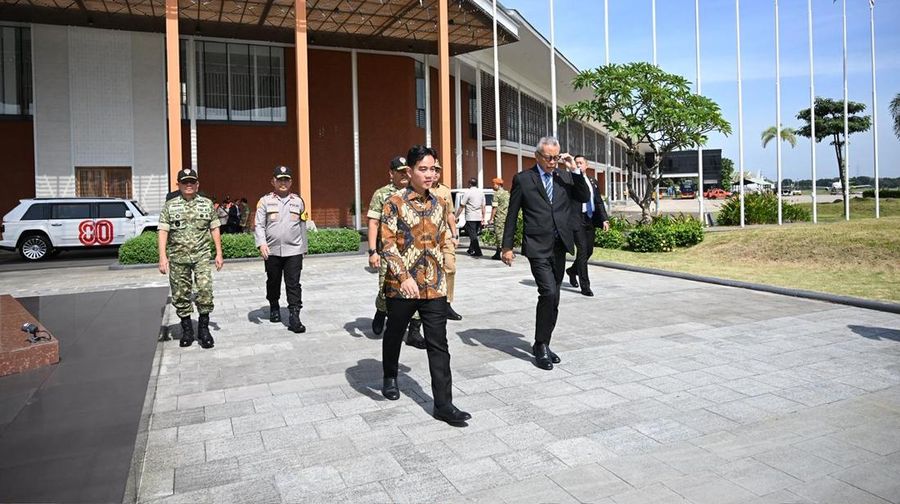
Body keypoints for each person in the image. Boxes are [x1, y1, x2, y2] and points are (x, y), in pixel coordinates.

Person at [380, 145, 470, 425]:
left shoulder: (441, 203)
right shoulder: (394, 202)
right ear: (410, 171)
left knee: (439, 344)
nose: (430, 174)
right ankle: (390, 375)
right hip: (402, 286)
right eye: (423, 169)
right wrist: (403, 277)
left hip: (433, 286)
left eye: (433, 169)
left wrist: (446, 256)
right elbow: (387, 243)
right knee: (394, 332)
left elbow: (444, 236)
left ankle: (444, 405)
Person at [501, 137, 590, 370]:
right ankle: (540, 345)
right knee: (548, 292)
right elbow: (512, 214)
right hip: (537, 245)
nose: (553, 162)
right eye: (549, 157)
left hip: (560, 245)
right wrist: (507, 246)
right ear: (537, 156)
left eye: (556, 157)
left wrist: (575, 169)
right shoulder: (523, 179)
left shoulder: (565, 177)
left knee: (555, 297)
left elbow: (584, 197)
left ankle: (545, 342)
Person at [157, 168, 224, 349]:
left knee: (204, 290)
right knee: (180, 293)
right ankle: (187, 330)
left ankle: (203, 329)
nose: (188, 185)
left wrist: (219, 252)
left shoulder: (207, 203)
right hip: (178, 258)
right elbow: (163, 230)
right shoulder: (170, 206)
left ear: (197, 184)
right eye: (185, 182)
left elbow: (214, 227)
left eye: (192, 182)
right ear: (178, 184)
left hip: (201, 256)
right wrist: (162, 256)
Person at [365, 156, 426, 348]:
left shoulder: (419, 192)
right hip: (390, 253)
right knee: (387, 290)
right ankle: (381, 311)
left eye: (405, 171)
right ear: (391, 173)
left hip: (416, 253)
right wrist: (373, 251)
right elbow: (374, 222)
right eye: (398, 172)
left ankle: (414, 331)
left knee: (419, 292)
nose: (403, 175)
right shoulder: (382, 195)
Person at [254, 165, 308, 333]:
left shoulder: (298, 201)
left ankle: (294, 315)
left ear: (291, 182)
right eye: (279, 179)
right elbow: (259, 225)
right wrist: (261, 243)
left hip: (294, 250)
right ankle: (274, 306)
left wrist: (303, 248)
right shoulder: (265, 201)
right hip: (272, 250)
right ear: (273, 181)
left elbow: (302, 225)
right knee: (273, 281)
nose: (283, 182)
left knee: (293, 284)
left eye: (286, 179)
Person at [565, 155, 610, 297]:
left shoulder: (593, 181)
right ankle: (585, 286)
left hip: (590, 219)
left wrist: (604, 219)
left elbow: (598, 201)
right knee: (583, 251)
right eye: (576, 163)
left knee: (589, 251)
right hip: (577, 219)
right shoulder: (569, 180)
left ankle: (572, 271)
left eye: (580, 163)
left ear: (586, 165)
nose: (578, 165)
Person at [431, 160, 463, 321]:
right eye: (433, 169)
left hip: (445, 235)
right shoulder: (421, 189)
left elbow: (450, 214)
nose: (435, 173)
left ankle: (447, 303)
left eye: (438, 170)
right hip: (427, 237)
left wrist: (455, 234)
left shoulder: (445, 190)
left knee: (450, 267)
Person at [455, 177, 486, 257]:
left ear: (470, 184)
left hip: (470, 217)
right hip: (478, 217)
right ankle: (471, 249)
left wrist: (456, 216)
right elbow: (483, 206)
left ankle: (478, 251)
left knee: (472, 234)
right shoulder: (481, 193)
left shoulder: (468, 192)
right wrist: (483, 217)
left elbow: (462, 205)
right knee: (474, 233)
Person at [489, 177, 509, 260]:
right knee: (506, 235)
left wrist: (491, 218)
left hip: (499, 218)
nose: (493, 186)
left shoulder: (497, 194)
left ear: (498, 184)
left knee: (499, 235)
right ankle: (506, 251)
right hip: (506, 217)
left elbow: (494, 207)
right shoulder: (507, 193)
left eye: (493, 184)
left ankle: (500, 253)